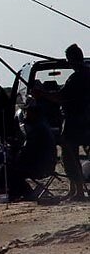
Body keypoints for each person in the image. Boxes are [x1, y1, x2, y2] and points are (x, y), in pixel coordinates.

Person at [32, 43, 90, 201]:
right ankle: (74, 190)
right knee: (72, 156)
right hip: (84, 121)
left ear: (72, 59)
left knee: (70, 156)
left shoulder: (77, 77)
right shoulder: (87, 74)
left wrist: (42, 94)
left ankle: (78, 192)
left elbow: (61, 97)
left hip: (75, 121)